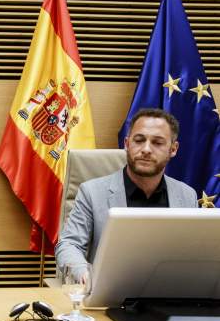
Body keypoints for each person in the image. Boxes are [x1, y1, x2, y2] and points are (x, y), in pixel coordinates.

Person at [55, 108, 198, 270]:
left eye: (157, 143)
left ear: (173, 149)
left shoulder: (187, 195)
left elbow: (195, 253)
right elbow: (69, 245)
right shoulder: (91, 192)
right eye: (139, 140)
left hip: (169, 290)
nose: (146, 149)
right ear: (127, 144)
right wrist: (84, 274)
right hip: (112, 292)